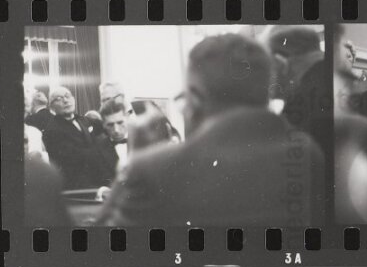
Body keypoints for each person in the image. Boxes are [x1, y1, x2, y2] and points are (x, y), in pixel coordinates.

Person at [103, 35, 325, 228]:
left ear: (196, 99)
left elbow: (106, 247)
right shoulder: (308, 153)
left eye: (183, 98)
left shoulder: (153, 169)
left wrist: (133, 161)